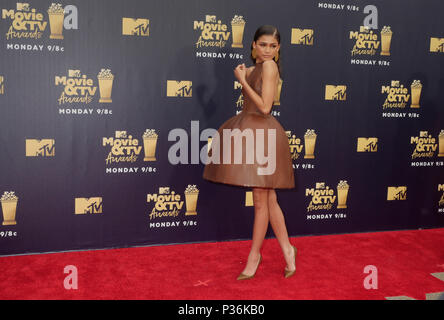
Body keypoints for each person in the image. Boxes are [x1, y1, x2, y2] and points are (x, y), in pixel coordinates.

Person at [203, 25, 296, 279]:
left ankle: (254, 256)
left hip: (264, 136)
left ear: (278, 50)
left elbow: (266, 107)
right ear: (253, 45)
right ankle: (288, 250)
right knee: (269, 199)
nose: (267, 50)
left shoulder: (269, 67)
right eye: (263, 44)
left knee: (260, 200)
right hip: (250, 133)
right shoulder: (254, 69)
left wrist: (242, 81)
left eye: (272, 46)